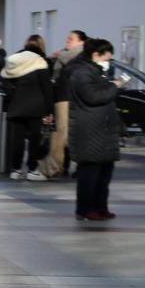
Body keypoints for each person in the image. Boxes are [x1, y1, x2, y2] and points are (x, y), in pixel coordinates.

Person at [70, 38, 124, 221]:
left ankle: (101, 207)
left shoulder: (97, 72)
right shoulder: (82, 73)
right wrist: (114, 86)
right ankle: (85, 209)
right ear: (96, 55)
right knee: (90, 173)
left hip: (103, 129)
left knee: (104, 173)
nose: (108, 62)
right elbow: (92, 97)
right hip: (89, 129)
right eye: (107, 58)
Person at [0, 44, 54, 181]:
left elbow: (4, 82)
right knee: (34, 139)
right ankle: (32, 169)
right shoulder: (40, 64)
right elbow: (47, 89)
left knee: (17, 140)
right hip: (35, 107)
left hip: (16, 106)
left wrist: (12, 95)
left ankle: (16, 169)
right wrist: (49, 111)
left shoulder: (14, 64)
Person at [39, 29, 89, 177]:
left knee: (63, 133)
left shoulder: (78, 56)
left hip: (68, 98)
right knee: (63, 133)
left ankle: (57, 166)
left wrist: (59, 58)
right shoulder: (65, 55)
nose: (68, 41)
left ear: (81, 42)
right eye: (67, 38)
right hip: (62, 97)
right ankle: (62, 166)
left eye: (71, 39)